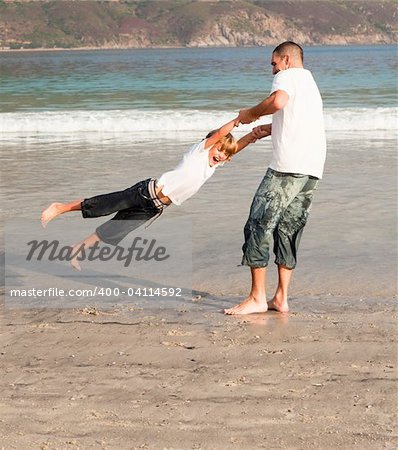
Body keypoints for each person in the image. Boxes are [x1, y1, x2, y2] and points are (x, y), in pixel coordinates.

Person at [41, 118, 265, 270]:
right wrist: (238, 120)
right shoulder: (200, 152)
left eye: (225, 155)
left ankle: (76, 250)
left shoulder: (212, 165)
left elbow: (236, 146)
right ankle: (60, 207)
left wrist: (252, 136)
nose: (221, 155)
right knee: (104, 205)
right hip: (145, 193)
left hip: (155, 207)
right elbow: (220, 134)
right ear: (211, 145)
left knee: (114, 230)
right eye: (219, 149)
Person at [224, 41, 327, 315]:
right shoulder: (309, 81)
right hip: (312, 167)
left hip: (287, 167)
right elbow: (301, 119)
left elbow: (278, 101)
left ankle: (257, 297)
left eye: (273, 63)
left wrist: (250, 113)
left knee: (257, 223)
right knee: (288, 229)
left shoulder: (287, 75)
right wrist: (271, 128)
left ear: (286, 59)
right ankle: (281, 298)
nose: (272, 70)